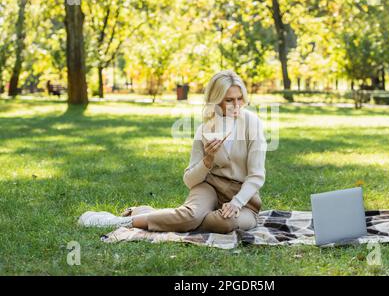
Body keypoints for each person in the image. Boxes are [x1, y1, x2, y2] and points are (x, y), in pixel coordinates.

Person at [78, 70, 267, 234]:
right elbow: (190, 180)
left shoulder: (252, 124)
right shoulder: (205, 130)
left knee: (223, 223)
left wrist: (236, 202)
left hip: (244, 200)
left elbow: (256, 176)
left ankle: (158, 214)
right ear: (216, 101)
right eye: (229, 100)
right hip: (210, 188)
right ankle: (121, 222)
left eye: (240, 98)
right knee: (191, 215)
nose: (237, 104)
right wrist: (208, 160)